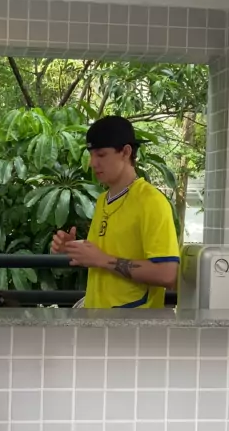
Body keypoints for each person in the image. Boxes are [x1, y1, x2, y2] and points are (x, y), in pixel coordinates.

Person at [51, 115, 179, 309]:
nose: (93, 163)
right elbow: (101, 257)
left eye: (101, 155)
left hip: (130, 324)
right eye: (91, 154)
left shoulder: (151, 202)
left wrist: (103, 260)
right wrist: (71, 248)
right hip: (97, 319)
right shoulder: (103, 200)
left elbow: (167, 273)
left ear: (126, 152)